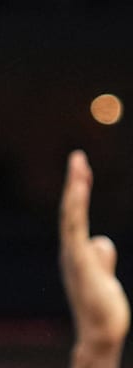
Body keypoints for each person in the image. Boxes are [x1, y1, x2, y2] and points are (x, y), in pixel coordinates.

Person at [60, 150, 129, 368]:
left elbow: (73, 234)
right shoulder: (96, 307)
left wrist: (78, 187)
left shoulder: (106, 307)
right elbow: (72, 239)